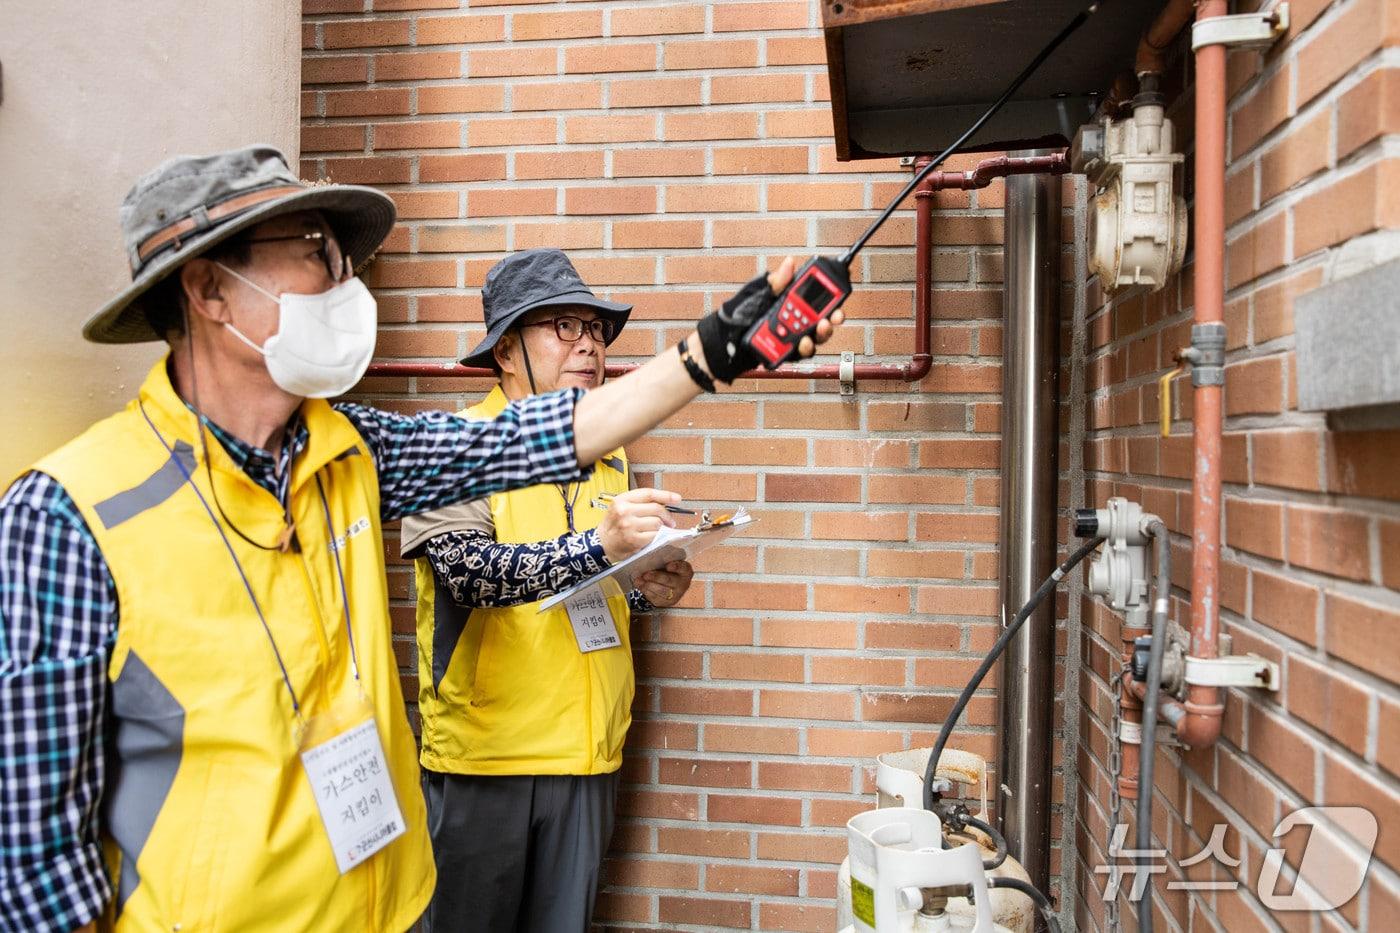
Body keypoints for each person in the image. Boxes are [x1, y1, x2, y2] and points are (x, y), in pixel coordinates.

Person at [0, 144, 840, 933]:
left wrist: (718, 348)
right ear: (209, 291)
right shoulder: (69, 515)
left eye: (343, 256)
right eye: (314, 250)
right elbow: (36, 860)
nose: (344, 278)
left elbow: (537, 436)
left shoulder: (353, 451)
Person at [400, 249, 695, 932]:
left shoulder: (609, 452)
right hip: (486, 763)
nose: (589, 344)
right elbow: (469, 573)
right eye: (563, 326)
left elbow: (599, 581)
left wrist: (649, 585)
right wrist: (601, 545)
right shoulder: (455, 444)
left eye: (595, 328)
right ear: (506, 350)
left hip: (587, 759)